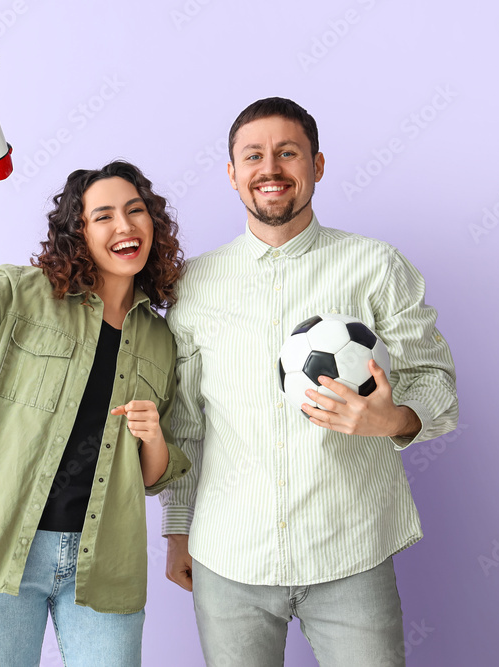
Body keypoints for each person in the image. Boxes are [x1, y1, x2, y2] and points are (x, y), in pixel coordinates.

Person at [159, 98, 459, 666]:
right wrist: (178, 530)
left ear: (317, 165)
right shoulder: (194, 284)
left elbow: (436, 384)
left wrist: (394, 419)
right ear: (232, 174)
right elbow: (187, 424)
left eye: (288, 153)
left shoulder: (376, 266)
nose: (270, 168)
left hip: (351, 551)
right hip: (230, 558)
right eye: (253, 156)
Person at [0, 129, 190, 667]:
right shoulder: (26, 294)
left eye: (135, 211)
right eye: (103, 216)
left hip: (105, 564)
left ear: (153, 224)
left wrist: (155, 438)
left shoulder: (163, 341)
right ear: (79, 234)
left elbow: (151, 478)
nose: (124, 226)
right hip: (0, 545)